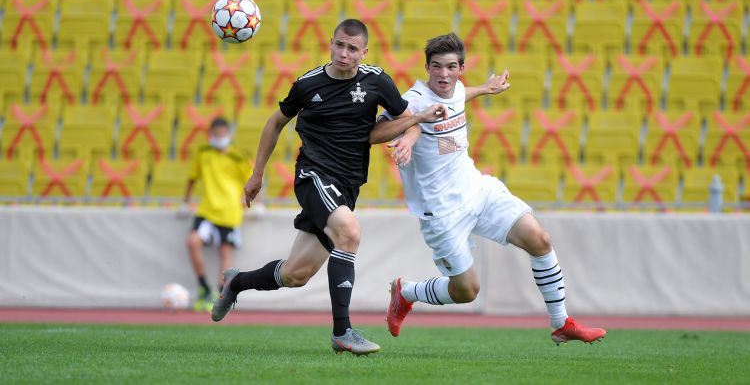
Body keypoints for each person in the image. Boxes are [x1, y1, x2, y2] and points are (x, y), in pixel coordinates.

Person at [210, 19, 447, 355]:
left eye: (352, 48)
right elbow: (275, 122)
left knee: (295, 274)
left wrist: (408, 138)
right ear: (330, 43)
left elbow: (408, 118)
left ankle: (236, 282)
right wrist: (256, 174)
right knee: (349, 232)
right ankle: (342, 332)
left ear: (364, 52)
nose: (344, 53)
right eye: (339, 45)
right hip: (314, 175)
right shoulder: (308, 84)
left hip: (348, 185)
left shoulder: (377, 81)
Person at [371, 33, 607, 345]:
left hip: (476, 189)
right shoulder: (414, 100)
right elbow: (374, 132)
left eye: (451, 67)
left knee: (540, 240)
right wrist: (410, 132)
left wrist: (485, 89)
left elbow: (457, 96)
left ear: (461, 68)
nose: (443, 74)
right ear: (427, 67)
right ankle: (406, 291)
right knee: (466, 292)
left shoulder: (454, 89)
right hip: (441, 211)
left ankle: (561, 322)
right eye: (437, 67)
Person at [182, 117, 251, 311]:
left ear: (228, 134)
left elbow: (253, 180)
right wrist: (185, 202)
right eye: (216, 134)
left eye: (222, 134)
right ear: (210, 135)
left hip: (230, 212)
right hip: (207, 210)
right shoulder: (203, 153)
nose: (219, 138)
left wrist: (256, 203)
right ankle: (204, 287)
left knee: (224, 252)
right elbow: (192, 178)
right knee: (193, 241)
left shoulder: (238, 156)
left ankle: (222, 296)